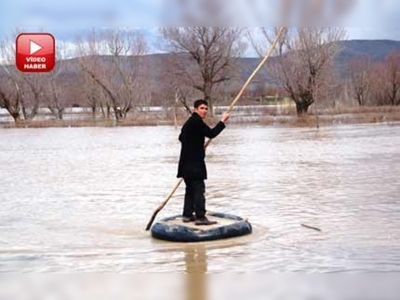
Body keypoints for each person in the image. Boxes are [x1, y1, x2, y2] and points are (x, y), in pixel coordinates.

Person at [177, 99, 230, 226]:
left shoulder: (189, 123)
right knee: (199, 190)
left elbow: (181, 138)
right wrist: (222, 121)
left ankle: (187, 215)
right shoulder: (196, 122)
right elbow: (211, 134)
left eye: (206, 108)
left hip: (185, 165)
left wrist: (197, 144)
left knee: (190, 190)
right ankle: (201, 217)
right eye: (202, 108)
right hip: (194, 165)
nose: (204, 111)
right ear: (195, 109)